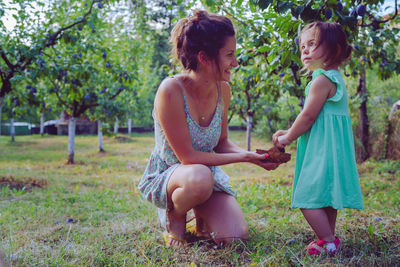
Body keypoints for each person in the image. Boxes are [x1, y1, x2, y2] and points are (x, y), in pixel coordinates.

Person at [138, 10, 279, 248]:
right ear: (204, 58)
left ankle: (202, 216)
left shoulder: (223, 89)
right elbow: (188, 158)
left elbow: (222, 142)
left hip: (205, 175)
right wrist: (245, 158)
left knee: (234, 236)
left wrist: (255, 155)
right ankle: (176, 215)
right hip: (175, 175)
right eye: (229, 55)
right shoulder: (170, 91)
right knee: (199, 176)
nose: (235, 62)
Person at [273, 21, 363, 255]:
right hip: (332, 149)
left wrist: (287, 138)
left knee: (307, 197)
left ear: (333, 49)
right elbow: (313, 117)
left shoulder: (321, 80)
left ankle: (328, 241)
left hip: (322, 150)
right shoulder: (334, 77)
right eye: (303, 45)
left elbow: (308, 116)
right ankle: (329, 238)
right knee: (326, 197)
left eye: (312, 44)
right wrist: (288, 131)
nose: (304, 50)